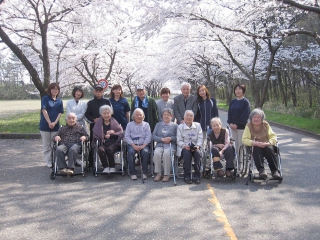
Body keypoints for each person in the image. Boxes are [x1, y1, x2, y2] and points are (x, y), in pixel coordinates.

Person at [242, 108, 281, 180]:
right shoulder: (248, 125)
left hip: (266, 144)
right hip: (255, 145)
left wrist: (268, 143)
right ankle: (261, 171)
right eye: (254, 117)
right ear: (251, 118)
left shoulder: (266, 124)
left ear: (262, 118)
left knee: (270, 149)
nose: (256, 119)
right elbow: (244, 139)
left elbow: (273, 137)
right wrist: (254, 143)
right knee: (256, 149)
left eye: (258, 117)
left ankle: (274, 171)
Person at [85, 84, 112, 166]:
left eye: (100, 91)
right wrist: (93, 119)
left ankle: (108, 161)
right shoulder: (90, 103)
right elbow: (87, 114)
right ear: (94, 92)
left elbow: (111, 113)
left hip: (106, 125)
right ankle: (92, 163)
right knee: (94, 143)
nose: (98, 92)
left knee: (107, 142)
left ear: (103, 92)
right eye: (97, 91)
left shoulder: (107, 102)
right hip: (95, 126)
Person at [92, 105, 124, 173]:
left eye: (108, 113)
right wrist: (104, 134)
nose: (106, 115)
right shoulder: (98, 123)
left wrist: (113, 133)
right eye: (104, 113)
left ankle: (112, 167)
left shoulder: (114, 122)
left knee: (110, 149)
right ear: (101, 114)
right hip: (103, 142)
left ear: (111, 113)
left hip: (115, 143)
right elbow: (96, 134)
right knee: (100, 150)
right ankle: (106, 167)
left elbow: (120, 133)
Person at [39, 83, 64, 168]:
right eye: (53, 89)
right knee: (47, 145)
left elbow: (60, 112)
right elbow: (44, 110)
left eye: (56, 89)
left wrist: (55, 122)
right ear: (50, 90)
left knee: (55, 144)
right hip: (45, 126)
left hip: (55, 126)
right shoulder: (45, 98)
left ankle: (55, 160)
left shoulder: (59, 101)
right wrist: (49, 122)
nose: (55, 90)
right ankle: (48, 161)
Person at [177, 110, 203, 184]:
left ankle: (197, 175)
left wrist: (197, 146)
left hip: (195, 147)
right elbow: (179, 140)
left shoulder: (198, 125)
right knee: (187, 154)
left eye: (191, 116)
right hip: (184, 147)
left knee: (198, 154)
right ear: (184, 117)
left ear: (193, 118)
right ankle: (187, 175)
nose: (189, 117)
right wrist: (184, 146)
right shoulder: (180, 127)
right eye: (187, 116)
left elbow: (200, 138)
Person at [125, 108, 152, 180]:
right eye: (137, 115)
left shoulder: (146, 125)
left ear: (143, 116)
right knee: (130, 152)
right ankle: (132, 173)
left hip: (143, 144)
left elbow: (149, 136)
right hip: (132, 144)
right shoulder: (129, 125)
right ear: (133, 116)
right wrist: (133, 145)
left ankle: (144, 172)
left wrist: (144, 145)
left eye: (140, 115)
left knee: (145, 152)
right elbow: (127, 137)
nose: (139, 116)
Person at [152, 108, 178, 182]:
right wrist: (162, 139)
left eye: (168, 115)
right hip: (160, 144)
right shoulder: (158, 125)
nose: (166, 116)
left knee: (166, 154)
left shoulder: (175, 126)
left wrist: (170, 138)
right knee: (156, 153)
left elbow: (177, 137)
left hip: (171, 145)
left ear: (171, 116)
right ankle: (158, 174)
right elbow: (153, 136)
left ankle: (166, 174)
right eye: (164, 115)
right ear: (162, 116)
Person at [227, 84, 250, 157]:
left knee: (240, 145)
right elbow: (229, 113)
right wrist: (230, 123)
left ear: (243, 91)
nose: (238, 91)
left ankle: (240, 163)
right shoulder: (233, 102)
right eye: (236, 89)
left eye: (240, 89)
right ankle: (234, 162)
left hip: (241, 128)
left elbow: (245, 115)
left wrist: (237, 124)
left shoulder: (245, 102)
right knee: (233, 145)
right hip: (232, 127)